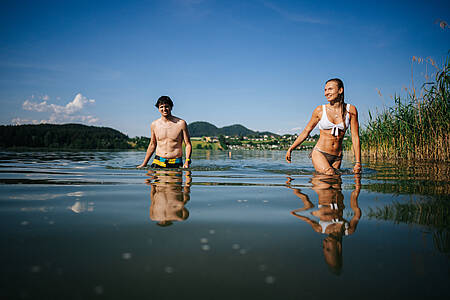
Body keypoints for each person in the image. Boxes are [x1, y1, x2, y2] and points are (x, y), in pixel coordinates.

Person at [285, 79, 361, 174]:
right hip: (320, 153)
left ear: (340, 90)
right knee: (329, 173)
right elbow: (306, 131)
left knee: (335, 186)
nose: (326, 93)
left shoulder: (351, 110)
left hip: (337, 157)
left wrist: (358, 162)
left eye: (330, 89)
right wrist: (291, 148)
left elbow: (355, 137)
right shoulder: (320, 110)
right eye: (325, 90)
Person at [137, 96, 192, 169]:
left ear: (171, 107)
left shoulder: (181, 123)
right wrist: (144, 164)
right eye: (161, 107)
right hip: (158, 162)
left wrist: (187, 161)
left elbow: (188, 144)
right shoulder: (154, 124)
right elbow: (152, 145)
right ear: (158, 109)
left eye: (166, 106)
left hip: (176, 163)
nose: (164, 109)